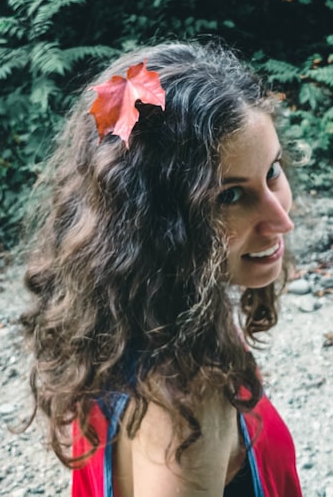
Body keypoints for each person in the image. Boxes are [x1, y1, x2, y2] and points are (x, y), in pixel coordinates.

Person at [20, 41, 303, 496]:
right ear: (155, 224)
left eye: (272, 172)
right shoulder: (188, 393)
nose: (281, 219)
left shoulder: (115, 322)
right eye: (229, 195)